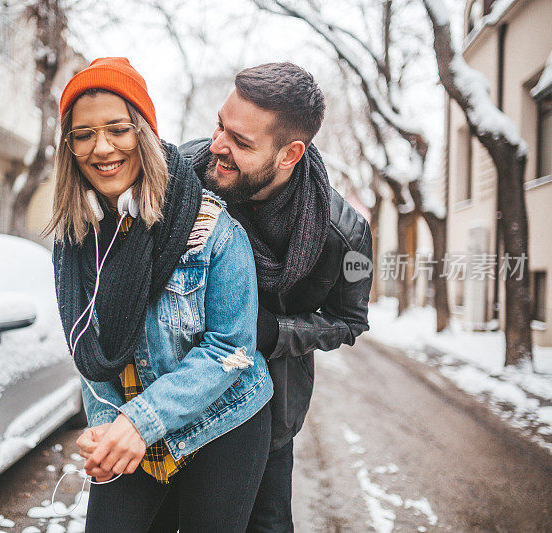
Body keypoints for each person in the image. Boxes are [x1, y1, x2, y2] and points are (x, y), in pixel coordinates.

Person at [46, 57, 273, 532]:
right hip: (129, 420)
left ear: (144, 134)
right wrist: (108, 426)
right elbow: (89, 345)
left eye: (117, 129)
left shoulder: (212, 230)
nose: (101, 147)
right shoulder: (74, 239)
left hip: (223, 421)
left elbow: (230, 350)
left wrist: (138, 422)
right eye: (83, 134)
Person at [180, 62, 373, 532]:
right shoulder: (181, 178)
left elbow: (351, 322)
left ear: (289, 154)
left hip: (270, 413)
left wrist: (277, 332)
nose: (218, 146)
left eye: (241, 142)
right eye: (219, 125)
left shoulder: (345, 237)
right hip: (178, 394)